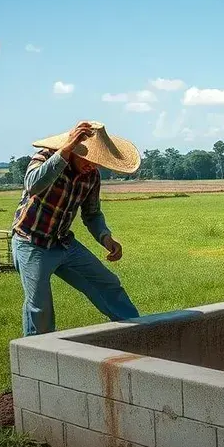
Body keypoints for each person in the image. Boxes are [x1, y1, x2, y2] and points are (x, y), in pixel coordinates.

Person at [11, 120, 141, 336]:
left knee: (108, 284)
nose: (93, 165)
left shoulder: (92, 176)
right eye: (89, 158)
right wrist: (63, 151)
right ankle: (37, 351)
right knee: (40, 306)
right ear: (73, 148)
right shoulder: (44, 158)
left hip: (63, 243)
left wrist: (105, 237)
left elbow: (92, 213)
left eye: (98, 162)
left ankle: (140, 332)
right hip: (31, 242)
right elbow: (33, 185)